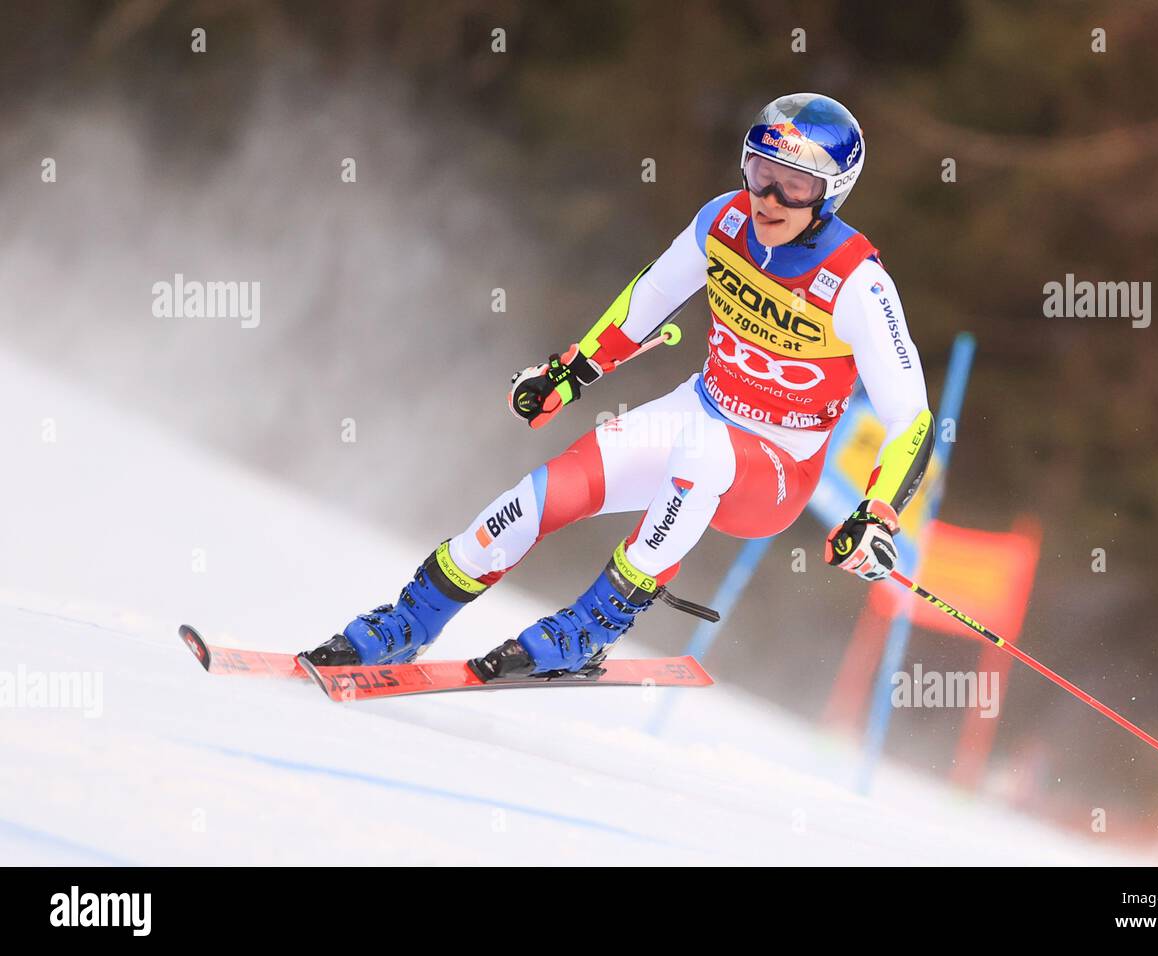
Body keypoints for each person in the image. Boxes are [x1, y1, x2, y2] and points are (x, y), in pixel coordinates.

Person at [305, 92, 935, 680]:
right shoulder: (722, 220)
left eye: (794, 186)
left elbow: (911, 418)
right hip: (702, 408)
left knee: (704, 452)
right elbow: (649, 299)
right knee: (538, 497)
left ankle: (590, 628)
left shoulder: (858, 283)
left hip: (776, 468)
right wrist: (569, 372)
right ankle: (412, 620)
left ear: (831, 195)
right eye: (759, 171)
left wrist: (876, 513)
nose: (768, 198)